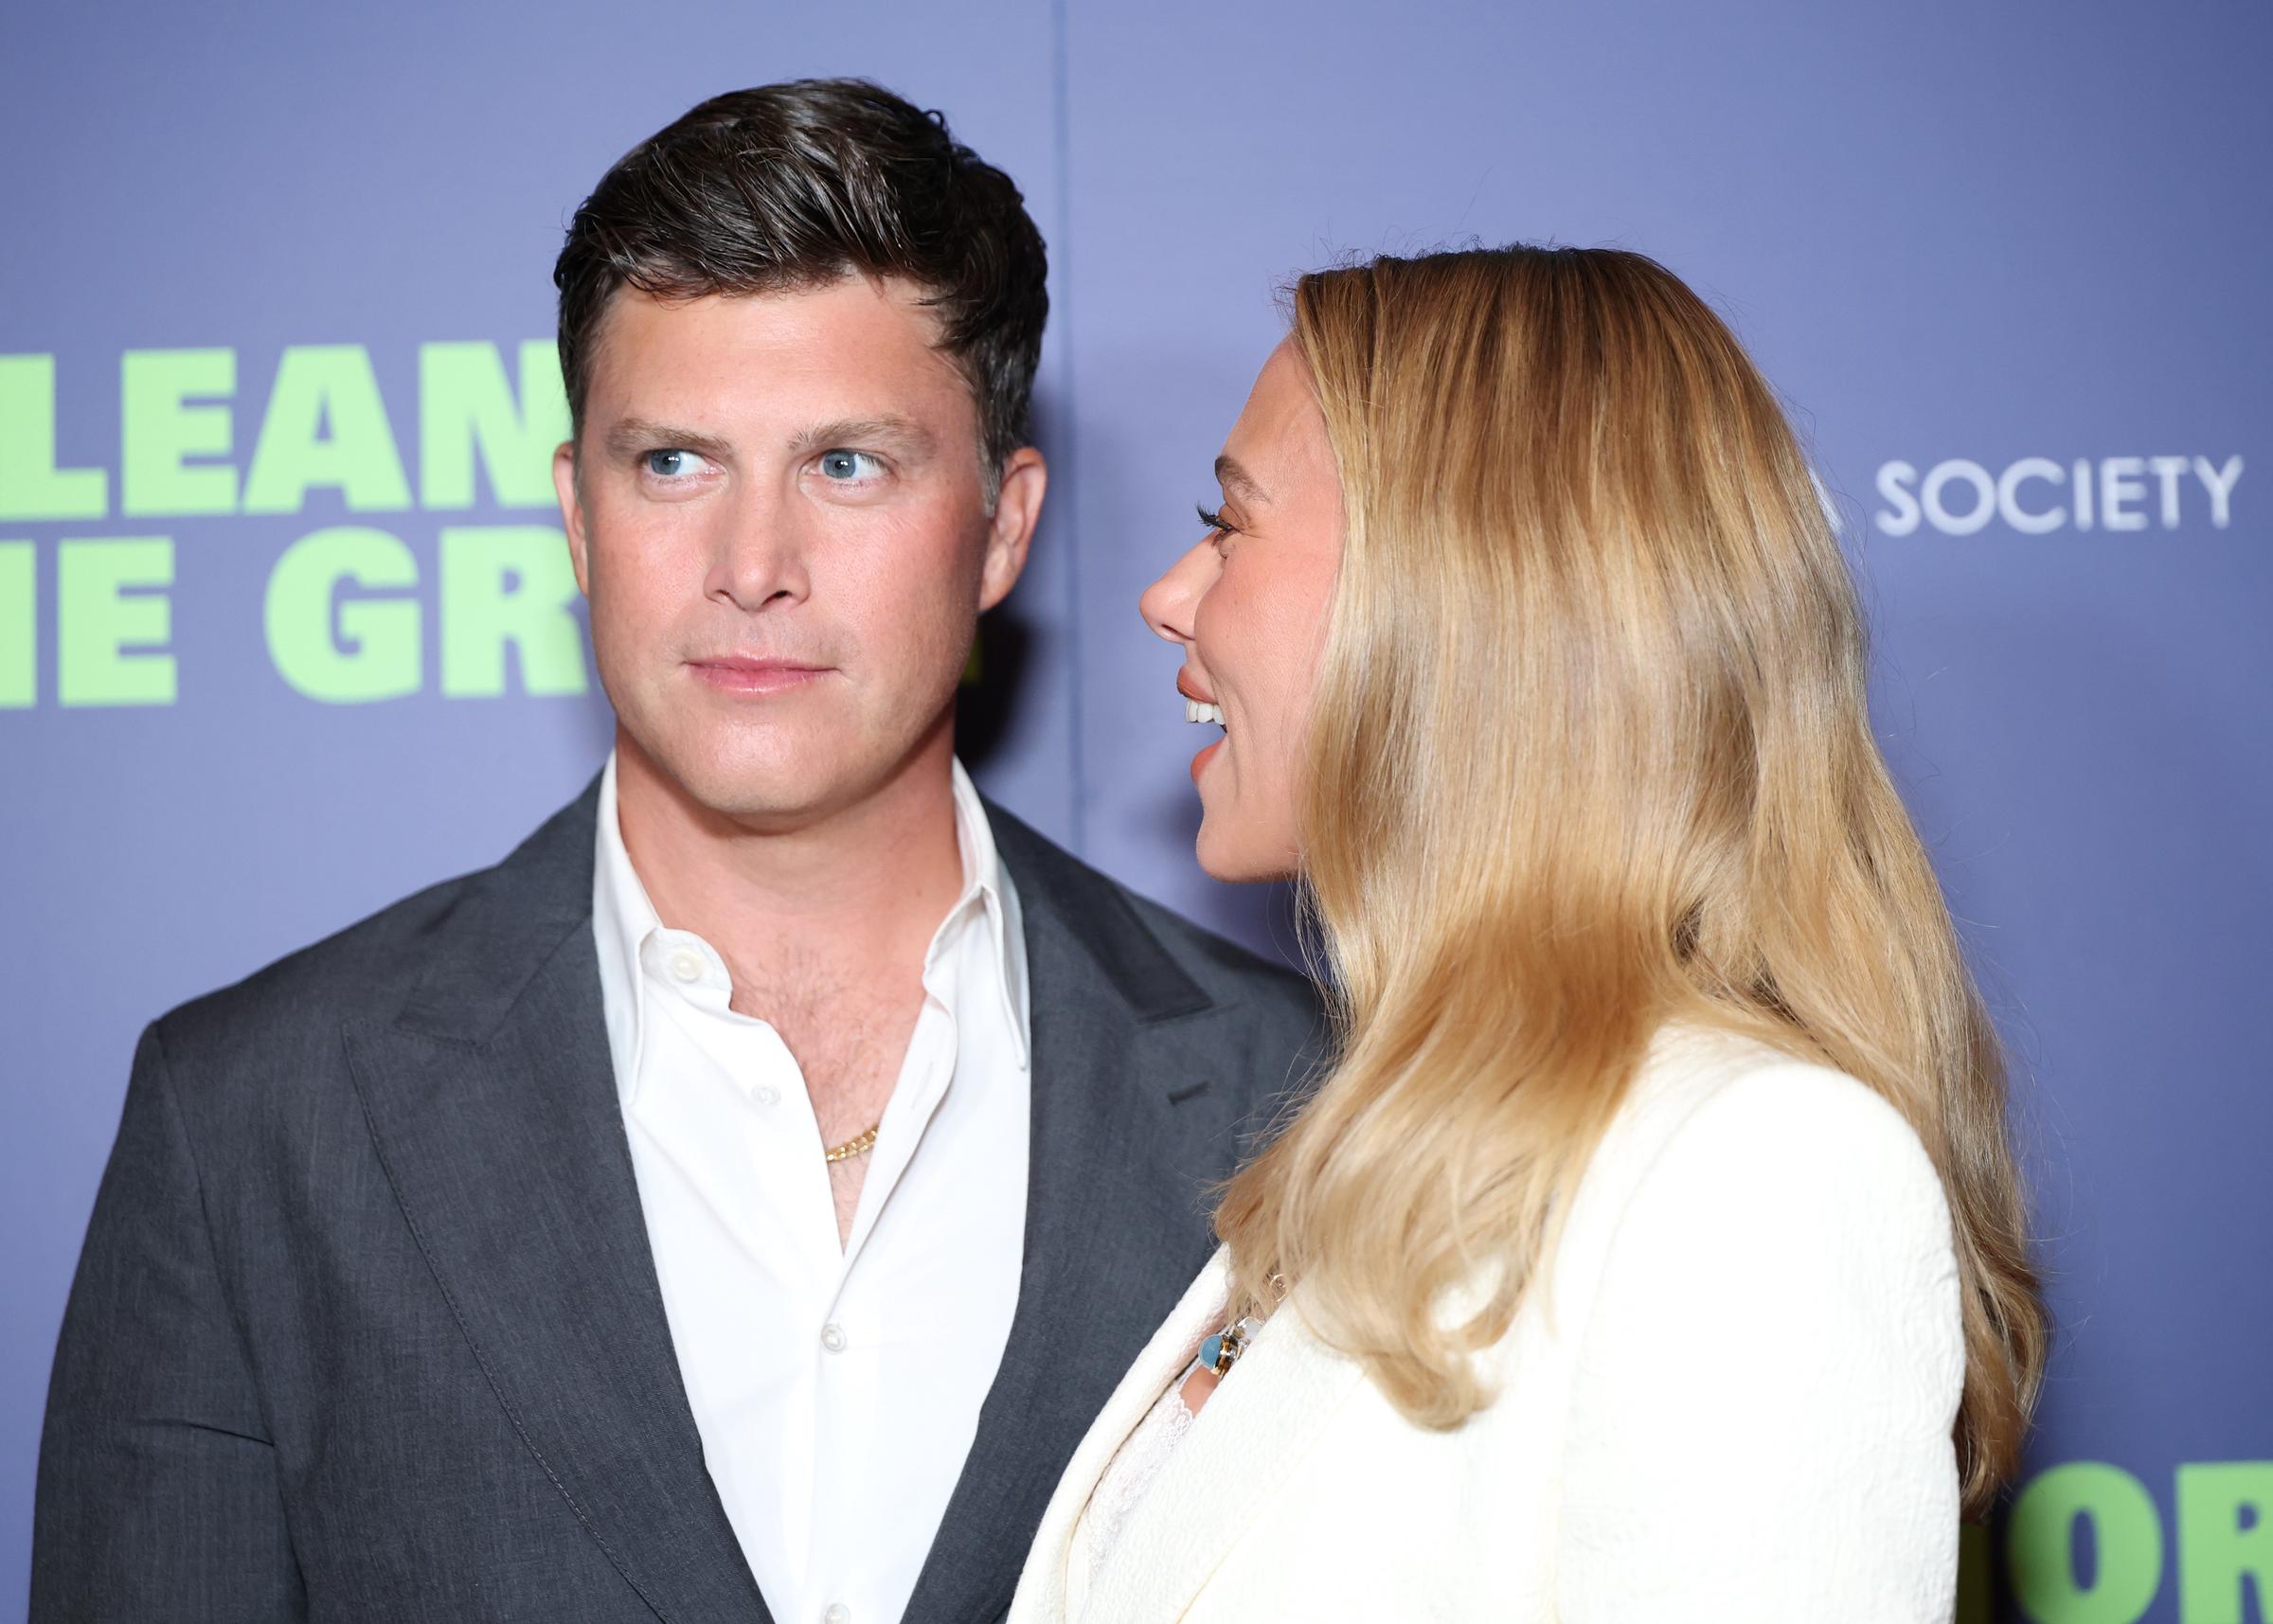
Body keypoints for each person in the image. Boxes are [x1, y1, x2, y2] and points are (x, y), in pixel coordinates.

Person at [32, 80, 1317, 1624]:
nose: (752, 569)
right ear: (578, 518)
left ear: (1000, 526)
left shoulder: (1308, 1100)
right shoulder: (253, 1122)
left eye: (847, 465)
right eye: (675, 465)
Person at [1010, 245, 2047, 1623]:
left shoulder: (1755, 1175)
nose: (1167, 593)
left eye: (1232, 521)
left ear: (1455, 594)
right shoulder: (1406, 1144)